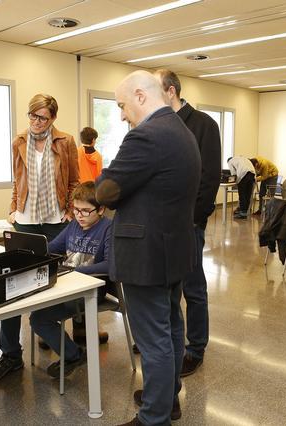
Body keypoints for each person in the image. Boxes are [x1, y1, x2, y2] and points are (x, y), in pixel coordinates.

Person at [96, 70, 200, 426]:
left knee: (154, 339)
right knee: (170, 328)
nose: (122, 115)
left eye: (122, 106)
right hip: (173, 250)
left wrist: (108, 178)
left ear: (140, 96)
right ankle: (167, 400)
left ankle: (154, 417)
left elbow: (105, 191)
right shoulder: (182, 130)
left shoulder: (146, 136)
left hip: (146, 256)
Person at [0, 94, 79, 380]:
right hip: (26, 221)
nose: (36, 122)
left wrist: (69, 211)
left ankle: (61, 342)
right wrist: (13, 208)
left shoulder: (65, 141)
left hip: (56, 222)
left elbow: (74, 181)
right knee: (12, 286)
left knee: (56, 283)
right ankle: (10, 354)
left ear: (53, 118)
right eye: (33, 115)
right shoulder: (19, 141)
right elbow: (18, 180)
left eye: (43, 117)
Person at [154, 69, 221, 377]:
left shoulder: (204, 125)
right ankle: (166, 341)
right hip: (160, 225)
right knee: (166, 288)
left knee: (193, 288)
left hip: (189, 225)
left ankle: (195, 348)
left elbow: (209, 178)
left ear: (171, 91)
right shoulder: (156, 124)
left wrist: (194, 219)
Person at [25, 181, 112, 378]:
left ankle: (73, 355)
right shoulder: (73, 225)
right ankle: (73, 353)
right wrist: (31, 251)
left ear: (101, 209)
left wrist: (75, 272)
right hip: (68, 286)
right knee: (36, 312)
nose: (79, 215)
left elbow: (110, 265)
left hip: (91, 291)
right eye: (76, 210)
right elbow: (52, 248)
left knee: (39, 319)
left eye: (85, 211)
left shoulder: (108, 228)